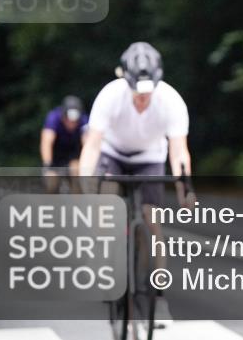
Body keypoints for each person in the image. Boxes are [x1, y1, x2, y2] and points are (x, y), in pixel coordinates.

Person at [78, 42, 193, 320]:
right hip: (113, 153)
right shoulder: (109, 96)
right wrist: (85, 185)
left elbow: (179, 150)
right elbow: (92, 146)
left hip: (150, 156)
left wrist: (185, 189)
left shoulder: (171, 101)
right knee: (105, 209)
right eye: (137, 94)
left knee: (152, 223)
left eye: (148, 94)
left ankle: (158, 296)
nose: (143, 100)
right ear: (125, 81)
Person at [40, 95, 88, 191]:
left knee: (77, 174)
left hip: (74, 157)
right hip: (55, 158)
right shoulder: (53, 117)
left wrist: (85, 166)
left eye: (75, 121)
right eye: (69, 120)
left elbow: (88, 144)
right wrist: (48, 165)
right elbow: (46, 143)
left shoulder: (84, 120)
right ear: (63, 116)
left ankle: (77, 203)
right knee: (51, 182)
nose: (72, 124)